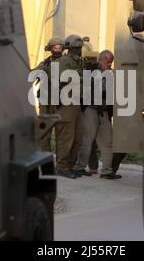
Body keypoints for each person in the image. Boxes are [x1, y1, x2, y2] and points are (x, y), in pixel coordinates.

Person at [73, 50, 121, 179]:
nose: (110, 64)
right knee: (86, 140)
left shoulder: (111, 73)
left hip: (103, 111)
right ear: (100, 59)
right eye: (108, 61)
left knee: (108, 141)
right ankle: (79, 167)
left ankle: (106, 170)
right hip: (90, 109)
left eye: (111, 61)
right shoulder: (90, 70)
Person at [54, 34, 85, 179]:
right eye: (77, 48)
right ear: (70, 48)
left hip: (77, 102)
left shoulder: (79, 62)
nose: (79, 50)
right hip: (66, 102)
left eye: (80, 47)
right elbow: (61, 78)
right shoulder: (64, 61)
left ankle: (69, 166)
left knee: (77, 136)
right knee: (67, 136)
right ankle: (62, 166)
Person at [33, 37, 65, 151]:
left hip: (61, 100)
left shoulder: (66, 62)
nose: (57, 49)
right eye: (55, 47)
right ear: (50, 48)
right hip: (45, 99)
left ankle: (61, 159)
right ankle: (45, 153)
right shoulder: (45, 63)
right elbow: (32, 74)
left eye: (59, 47)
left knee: (61, 130)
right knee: (44, 128)